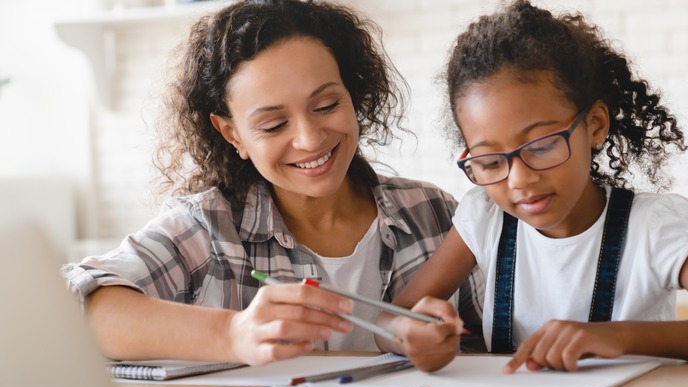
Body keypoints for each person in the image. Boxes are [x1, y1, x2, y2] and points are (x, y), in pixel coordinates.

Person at [61, 0, 484, 367]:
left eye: (326, 104)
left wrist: (446, 342)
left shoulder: (433, 212)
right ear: (232, 135)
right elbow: (77, 309)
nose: (309, 138)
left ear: (353, 94)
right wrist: (232, 333)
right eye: (274, 124)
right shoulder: (209, 228)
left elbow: (498, 340)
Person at [376, 0, 688, 373]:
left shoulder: (654, 227)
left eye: (540, 146)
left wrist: (619, 337)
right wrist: (410, 331)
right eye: (489, 162)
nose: (519, 179)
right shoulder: (484, 217)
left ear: (596, 125)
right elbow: (386, 321)